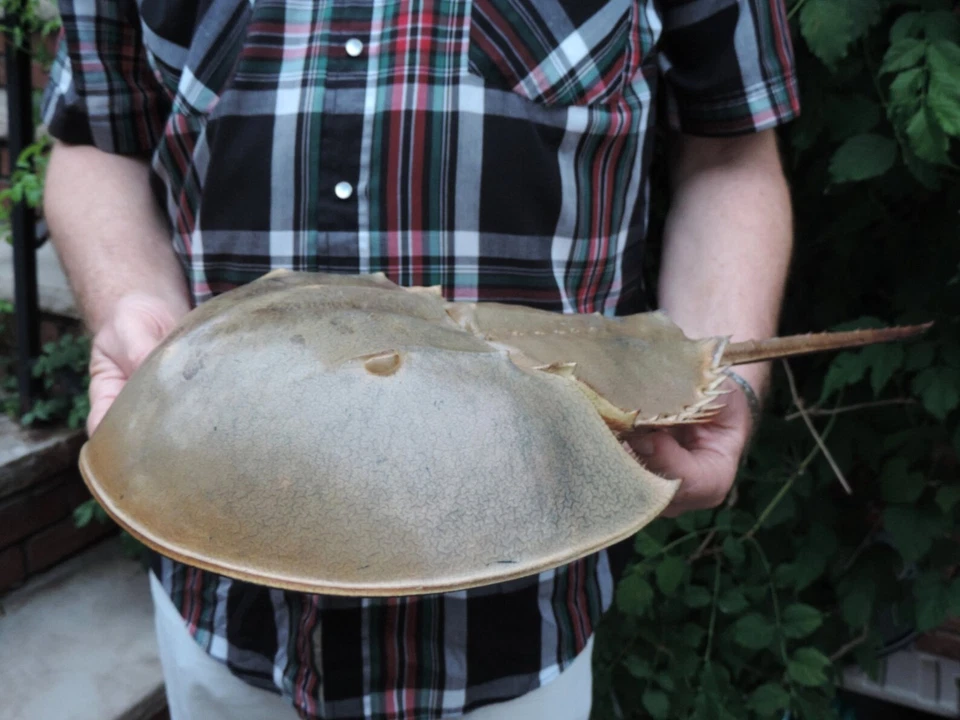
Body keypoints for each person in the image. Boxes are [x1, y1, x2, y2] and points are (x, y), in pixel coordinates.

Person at [41, 0, 798, 717]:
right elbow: (97, 143)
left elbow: (729, 149)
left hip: (524, 627)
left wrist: (719, 377)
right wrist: (128, 306)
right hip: (218, 610)